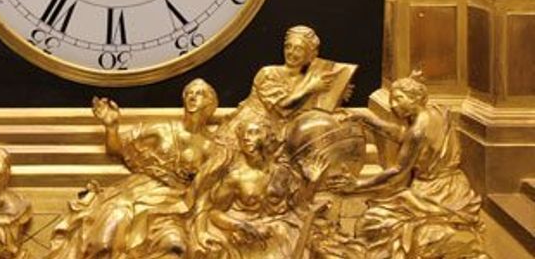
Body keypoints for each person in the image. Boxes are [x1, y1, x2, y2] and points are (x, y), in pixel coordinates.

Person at [47, 79, 220, 259]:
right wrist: (112, 127)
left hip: (173, 201)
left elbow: (210, 187)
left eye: (199, 93)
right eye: (189, 93)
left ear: (210, 103)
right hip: (140, 188)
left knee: (168, 240)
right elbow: (117, 149)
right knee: (116, 214)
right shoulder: (160, 129)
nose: (192, 97)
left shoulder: (212, 146)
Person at [347, 71, 489, 258]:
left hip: (433, 191)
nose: (392, 105)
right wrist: (368, 118)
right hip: (456, 186)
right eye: (392, 99)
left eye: (398, 99)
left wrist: (358, 185)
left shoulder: (418, 130)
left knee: (374, 222)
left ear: (414, 99)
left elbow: (397, 170)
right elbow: (404, 136)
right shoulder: (439, 110)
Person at [189, 120, 308, 259]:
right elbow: (214, 212)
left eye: (253, 133)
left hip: (279, 233)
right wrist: (240, 226)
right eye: (243, 135)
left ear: (267, 137)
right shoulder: (236, 177)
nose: (246, 138)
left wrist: (313, 181)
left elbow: (300, 206)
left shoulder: (282, 171)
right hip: (245, 237)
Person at [220, 26, 353, 144]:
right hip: (252, 130)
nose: (291, 52)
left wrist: (337, 94)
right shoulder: (268, 73)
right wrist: (311, 88)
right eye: (288, 46)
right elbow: (283, 107)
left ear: (311, 55)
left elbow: (308, 112)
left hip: (281, 134)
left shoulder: (307, 80)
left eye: (298, 49)